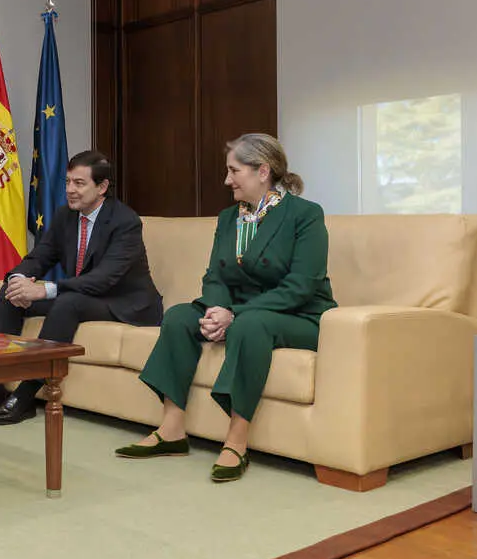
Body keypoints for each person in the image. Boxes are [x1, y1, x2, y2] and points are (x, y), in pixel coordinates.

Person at [115, 133, 337, 482]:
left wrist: (235, 315)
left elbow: (301, 286)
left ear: (262, 171)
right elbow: (215, 275)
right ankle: (172, 429)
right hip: (239, 309)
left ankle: (236, 441)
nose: (226, 180)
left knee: (250, 326)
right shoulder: (229, 217)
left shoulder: (305, 215)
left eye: (234, 171)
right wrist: (217, 310)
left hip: (298, 315)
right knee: (179, 317)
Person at [0, 150, 163, 425]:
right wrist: (19, 279)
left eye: (79, 183)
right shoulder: (66, 216)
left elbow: (103, 279)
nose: (70, 190)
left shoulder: (125, 222)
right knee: (9, 294)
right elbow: (41, 256)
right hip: (86, 296)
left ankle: (26, 394)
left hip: (124, 302)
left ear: (102, 187)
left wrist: (45, 289)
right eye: (68, 182)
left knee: (66, 302)